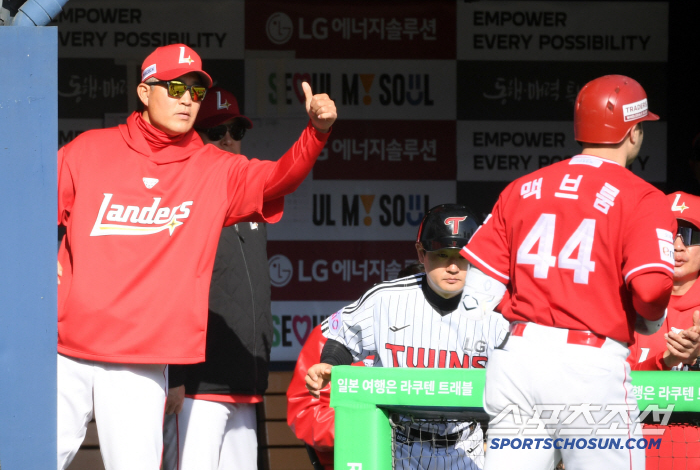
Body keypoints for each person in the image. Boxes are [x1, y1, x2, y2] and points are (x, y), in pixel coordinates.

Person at [56, 44, 336, 470]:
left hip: (141, 358)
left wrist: (315, 133)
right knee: (32, 458)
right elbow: (27, 211)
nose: (187, 99)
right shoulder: (88, 149)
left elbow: (279, 179)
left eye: (196, 91)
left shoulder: (214, 168)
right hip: (65, 349)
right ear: (145, 92)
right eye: (175, 88)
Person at [461, 74, 677, 470]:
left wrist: (522, 318)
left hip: (518, 361)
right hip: (588, 367)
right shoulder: (642, 197)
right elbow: (650, 294)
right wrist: (648, 320)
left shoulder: (523, 187)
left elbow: (476, 293)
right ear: (632, 132)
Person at [305, 204, 510, 470]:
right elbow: (343, 337)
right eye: (442, 254)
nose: (452, 267)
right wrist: (330, 362)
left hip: (465, 446)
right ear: (421, 253)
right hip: (401, 445)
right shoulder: (386, 299)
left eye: (462, 256)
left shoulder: (497, 309)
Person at [161, 87, 269, 470]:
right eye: (215, 131)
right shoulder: (180, 199)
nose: (227, 139)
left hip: (244, 384)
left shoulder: (253, 203)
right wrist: (174, 375)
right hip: (196, 386)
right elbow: (168, 291)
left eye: (235, 130)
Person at [286, 263, 424, 470]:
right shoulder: (334, 336)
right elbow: (306, 413)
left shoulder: (453, 340)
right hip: (356, 459)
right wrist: (370, 426)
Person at [627, 191, 700, 470]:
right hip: (633, 455)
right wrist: (665, 362)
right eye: (668, 234)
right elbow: (607, 386)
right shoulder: (623, 304)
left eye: (690, 235)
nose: (678, 246)